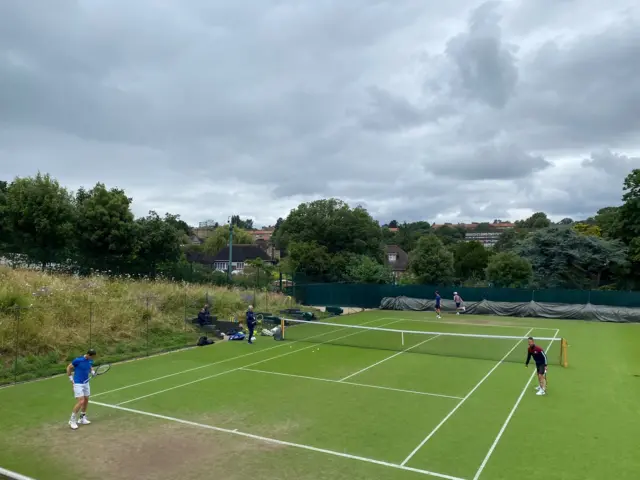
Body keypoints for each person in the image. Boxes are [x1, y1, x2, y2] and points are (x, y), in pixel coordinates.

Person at [67, 348, 97, 429]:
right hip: (78, 383)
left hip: (86, 382)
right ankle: (72, 420)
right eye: (92, 357)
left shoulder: (90, 360)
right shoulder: (78, 360)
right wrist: (71, 379)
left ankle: (82, 418)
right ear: (88, 355)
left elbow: (90, 367)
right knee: (81, 401)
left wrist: (93, 372)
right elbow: (69, 368)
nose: (93, 359)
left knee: (86, 399)